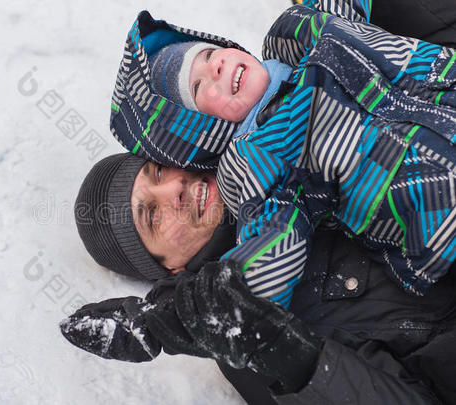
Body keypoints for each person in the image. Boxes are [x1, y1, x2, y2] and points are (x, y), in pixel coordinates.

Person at [109, 3, 456, 307]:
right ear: (199, 130)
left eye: (208, 56)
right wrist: (184, 315)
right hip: (440, 213)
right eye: (198, 88)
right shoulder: (255, 158)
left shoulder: (301, 32)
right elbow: (271, 249)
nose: (214, 69)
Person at [61, 152, 456, 404]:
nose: (175, 188)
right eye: (152, 214)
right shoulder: (237, 337)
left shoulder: (283, 144)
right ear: (169, 269)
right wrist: (289, 355)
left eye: (159, 170)